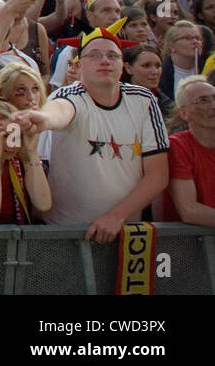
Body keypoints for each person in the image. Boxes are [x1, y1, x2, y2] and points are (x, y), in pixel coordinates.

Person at [15, 27, 170, 242]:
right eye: (94, 55)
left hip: (125, 234)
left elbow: (158, 175)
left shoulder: (143, 100)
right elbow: (60, 110)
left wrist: (115, 217)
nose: (105, 60)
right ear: (78, 66)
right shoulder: (68, 94)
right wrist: (43, 119)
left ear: (122, 65)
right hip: (67, 234)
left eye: (112, 55)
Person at [158, 76, 215, 226]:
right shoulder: (177, 145)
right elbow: (189, 211)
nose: (213, 105)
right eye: (203, 100)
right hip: (188, 244)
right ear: (183, 113)